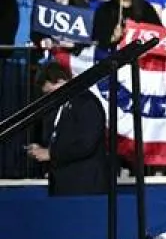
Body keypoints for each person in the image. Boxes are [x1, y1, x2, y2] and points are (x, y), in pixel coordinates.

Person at [25, 61, 111, 196]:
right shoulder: (57, 107)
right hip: (63, 185)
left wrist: (51, 153)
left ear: (61, 81)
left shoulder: (86, 102)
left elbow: (86, 144)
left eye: (51, 92)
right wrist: (41, 149)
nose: (50, 97)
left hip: (84, 186)